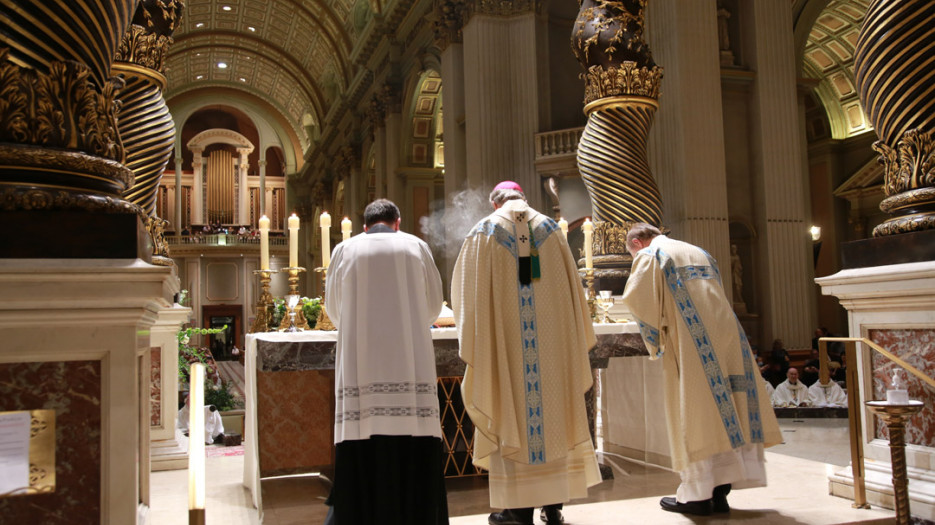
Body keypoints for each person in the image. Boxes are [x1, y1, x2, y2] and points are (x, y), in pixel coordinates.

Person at [451, 181, 600, 525]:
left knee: (512, 412)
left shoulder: (484, 231)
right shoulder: (550, 228)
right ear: (524, 199)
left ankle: (517, 511)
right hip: (552, 350)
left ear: (495, 203)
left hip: (507, 351)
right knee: (553, 418)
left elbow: (465, 295)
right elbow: (573, 293)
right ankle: (553, 507)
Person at [621, 223, 782, 516]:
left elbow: (637, 299)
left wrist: (656, 338)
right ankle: (720, 492)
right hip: (727, 337)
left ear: (637, 242)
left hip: (691, 342)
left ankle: (695, 496)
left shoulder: (651, 254)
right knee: (727, 410)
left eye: (630, 252)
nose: (634, 257)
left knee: (697, 413)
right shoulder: (699, 251)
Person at [324, 199, 448, 524]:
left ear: (364, 226)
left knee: (362, 437)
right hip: (410, 372)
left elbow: (334, 311)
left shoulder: (345, 250)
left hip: (360, 372)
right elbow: (434, 308)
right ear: (398, 221)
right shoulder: (416, 246)